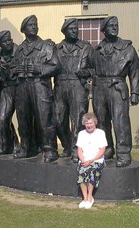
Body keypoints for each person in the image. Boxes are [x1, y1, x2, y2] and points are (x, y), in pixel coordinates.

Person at [92, 16, 139, 167]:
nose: (114, 27)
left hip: (117, 86)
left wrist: (135, 93)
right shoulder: (97, 49)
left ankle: (123, 153)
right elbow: (91, 69)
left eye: (116, 25)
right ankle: (107, 149)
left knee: (120, 121)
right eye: (111, 25)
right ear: (104, 30)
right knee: (101, 121)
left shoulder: (127, 48)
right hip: (99, 88)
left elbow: (136, 71)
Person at [13, 15, 60, 162]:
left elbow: (56, 66)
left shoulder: (47, 46)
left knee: (45, 118)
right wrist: (16, 70)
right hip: (22, 87)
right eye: (30, 25)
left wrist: (38, 68)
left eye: (35, 24)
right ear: (23, 29)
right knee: (23, 119)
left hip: (40, 86)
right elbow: (12, 69)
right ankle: (26, 148)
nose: (34, 27)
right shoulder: (19, 49)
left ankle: (50, 150)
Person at [54, 18, 94, 163]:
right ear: (64, 31)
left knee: (78, 120)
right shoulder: (56, 48)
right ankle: (67, 146)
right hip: (60, 86)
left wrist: (87, 72)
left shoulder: (86, 48)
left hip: (78, 86)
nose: (74, 30)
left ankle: (77, 149)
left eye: (76, 28)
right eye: (71, 28)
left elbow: (96, 68)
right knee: (58, 120)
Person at [0, 30, 20, 155]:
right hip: (7, 90)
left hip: (21, 89)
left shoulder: (20, 51)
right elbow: (0, 74)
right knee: (2, 119)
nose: (9, 42)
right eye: (5, 41)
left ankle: (31, 147)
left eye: (10, 39)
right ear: (0, 44)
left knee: (25, 121)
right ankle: (7, 146)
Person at [76, 112, 107, 209]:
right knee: (81, 173)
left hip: (96, 160)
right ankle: (84, 198)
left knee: (91, 173)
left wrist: (91, 160)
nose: (89, 125)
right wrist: (82, 160)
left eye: (91, 123)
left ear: (95, 123)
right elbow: (79, 150)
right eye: (87, 123)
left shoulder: (100, 133)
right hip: (84, 160)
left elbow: (102, 150)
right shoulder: (81, 134)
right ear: (84, 124)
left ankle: (90, 197)